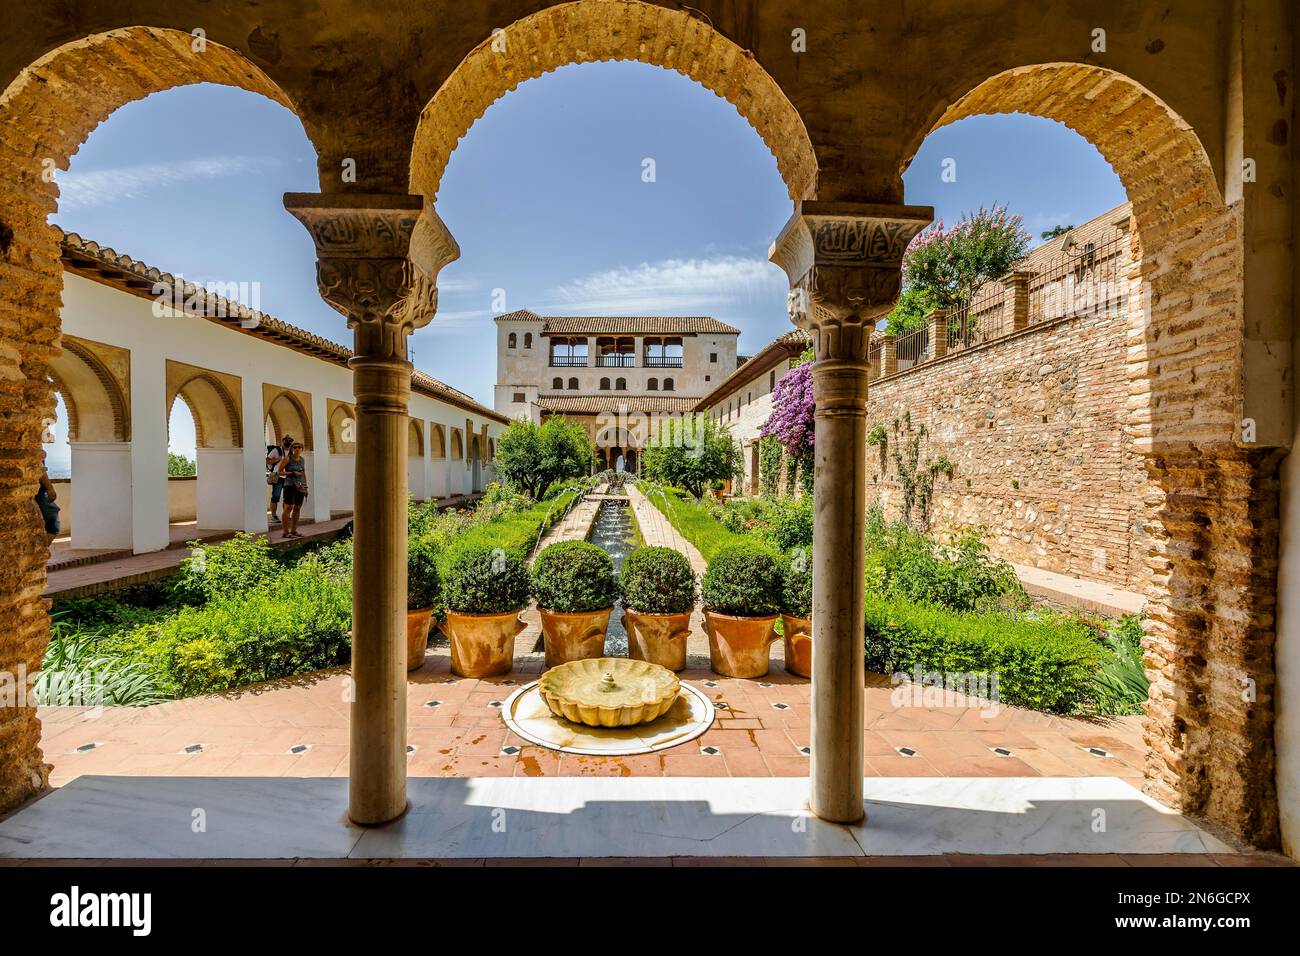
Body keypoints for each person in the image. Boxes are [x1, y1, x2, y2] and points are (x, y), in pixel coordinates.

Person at [276, 440, 309, 539]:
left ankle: (294, 530)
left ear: (302, 449)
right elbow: (279, 472)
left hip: (300, 486)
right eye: (295, 447)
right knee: (288, 508)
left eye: (299, 447)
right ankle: (285, 532)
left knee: (297, 508)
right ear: (292, 449)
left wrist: (306, 487)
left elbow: (303, 473)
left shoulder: (302, 459)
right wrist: (292, 473)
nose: (297, 449)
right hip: (290, 485)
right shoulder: (287, 459)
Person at [266, 433, 293, 522]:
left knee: (287, 498)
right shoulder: (276, 450)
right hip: (278, 476)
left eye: (290, 441)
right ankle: (273, 516)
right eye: (286, 440)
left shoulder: (292, 452)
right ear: (282, 441)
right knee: (275, 496)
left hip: (288, 477)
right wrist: (278, 459)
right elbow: (267, 461)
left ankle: (286, 515)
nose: (288, 442)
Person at [35, 461, 60, 537]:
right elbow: (39, 466)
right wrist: (50, 488)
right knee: (51, 515)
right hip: (38, 491)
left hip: (39, 490)